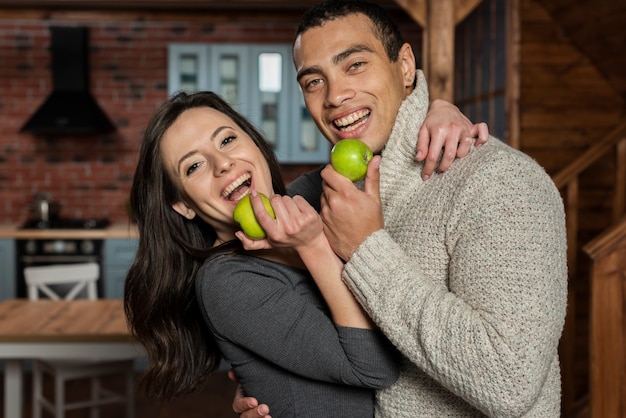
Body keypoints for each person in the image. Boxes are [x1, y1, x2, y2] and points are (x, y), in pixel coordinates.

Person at [234, 1, 568, 417]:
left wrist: (366, 249)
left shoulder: (500, 180)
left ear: (405, 65)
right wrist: (272, 390)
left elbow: (509, 379)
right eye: (314, 81)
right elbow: (353, 351)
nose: (335, 95)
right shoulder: (338, 195)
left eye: (355, 64)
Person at [123, 91, 483, 417]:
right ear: (183, 204)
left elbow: (385, 146)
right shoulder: (225, 281)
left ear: (255, 143)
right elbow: (374, 367)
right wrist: (313, 248)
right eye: (194, 166)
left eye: (228, 140)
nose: (223, 164)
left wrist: (440, 108)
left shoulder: (310, 196)